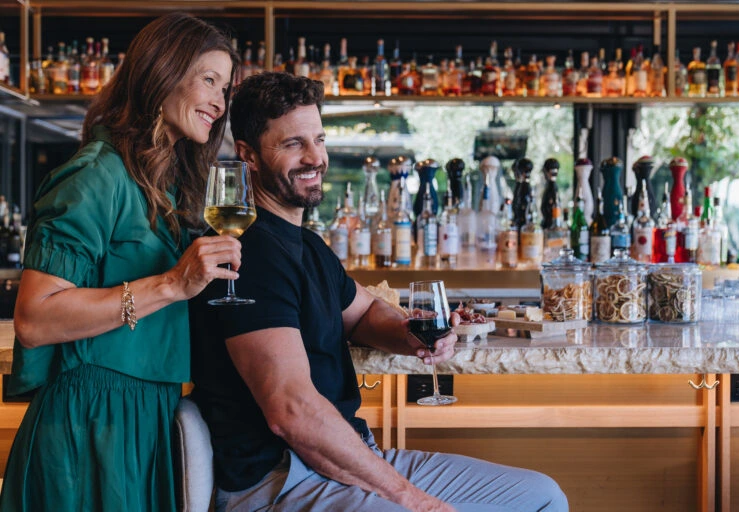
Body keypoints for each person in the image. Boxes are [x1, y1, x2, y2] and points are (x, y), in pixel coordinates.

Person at [189, 71, 568, 512]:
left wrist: (410, 332)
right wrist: (414, 501)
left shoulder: (307, 246)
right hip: (281, 480)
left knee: (542, 497)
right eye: (293, 144)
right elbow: (291, 412)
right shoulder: (247, 253)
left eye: (320, 139)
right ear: (248, 156)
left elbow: (364, 312)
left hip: (348, 456)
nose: (315, 157)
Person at [0, 13, 241, 512]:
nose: (220, 102)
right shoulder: (95, 176)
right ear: (163, 71)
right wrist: (173, 284)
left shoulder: (168, 187)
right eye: (209, 80)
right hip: (89, 422)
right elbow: (34, 319)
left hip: (147, 415)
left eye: (226, 88)